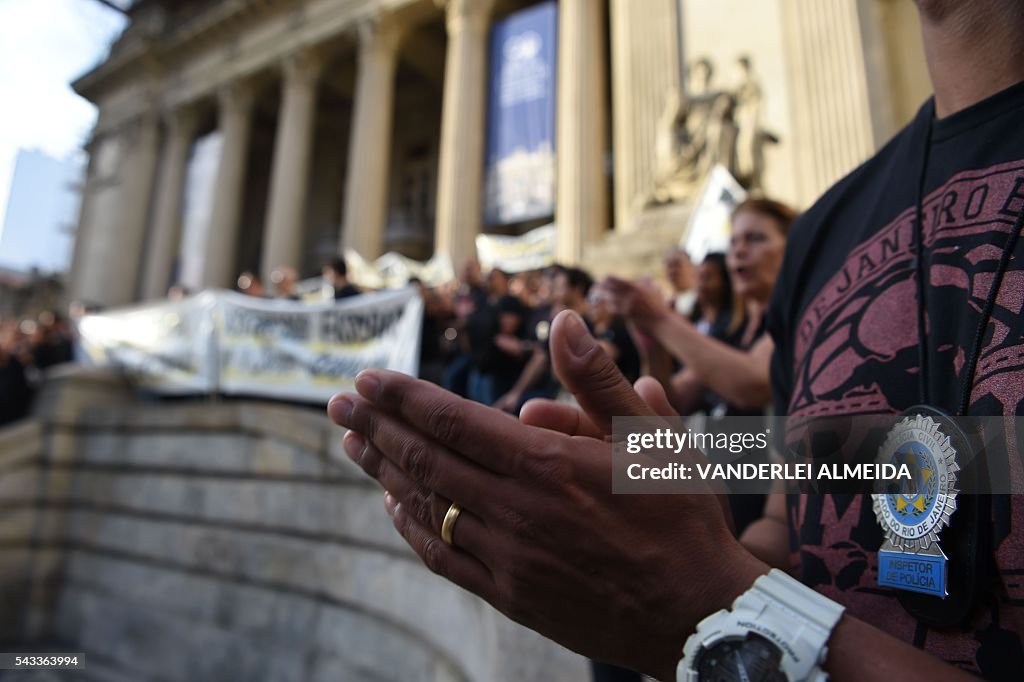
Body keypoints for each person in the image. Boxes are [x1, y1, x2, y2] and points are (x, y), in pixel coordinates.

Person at [328, 2, 1024, 679]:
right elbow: (821, 465)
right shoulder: (829, 228)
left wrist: (710, 600)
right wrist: (645, 476)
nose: (742, 253)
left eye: (756, 240)